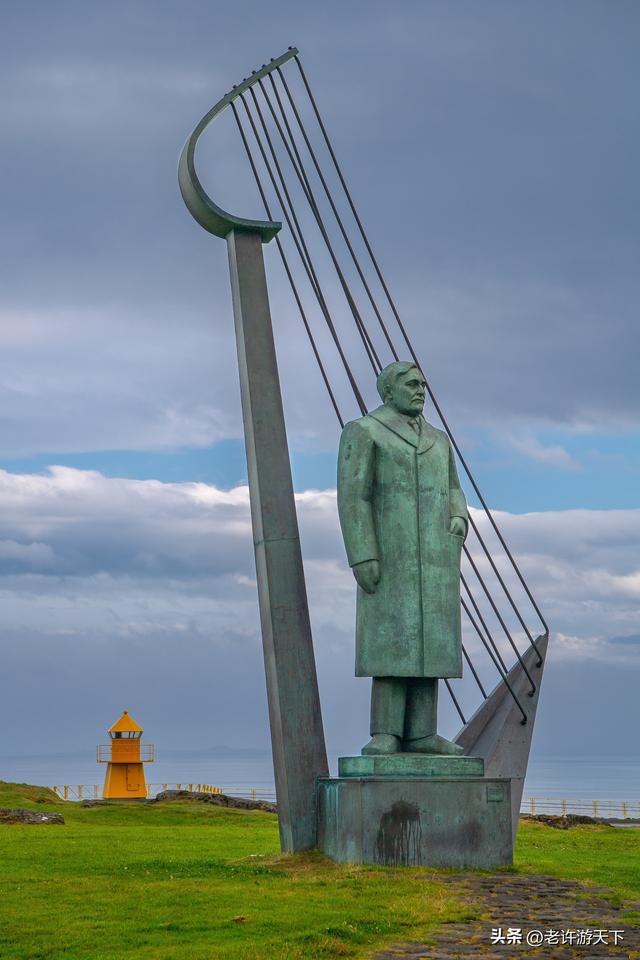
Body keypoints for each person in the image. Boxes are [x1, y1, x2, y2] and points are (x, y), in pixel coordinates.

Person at [337, 361, 468, 755]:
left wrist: (459, 517)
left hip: (435, 559)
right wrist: (362, 554)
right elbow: (353, 496)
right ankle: (387, 732)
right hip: (390, 557)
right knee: (393, 646)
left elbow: (453, 488)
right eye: (411, 384)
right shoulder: (364, 431)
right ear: (388, 391)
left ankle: (423, 733)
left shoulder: (438, 440)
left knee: (431, 648)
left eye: (424, 384)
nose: (420, 390)